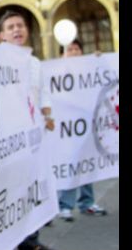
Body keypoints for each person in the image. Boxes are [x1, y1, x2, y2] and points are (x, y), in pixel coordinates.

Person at [0, 10, 55, 250]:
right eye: (10, 27)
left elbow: (43, 93)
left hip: (33, 141)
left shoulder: (34, 63)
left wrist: (48, 115)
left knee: (33, 189)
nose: (17, 30)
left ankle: (32, 239)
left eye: (20, 25)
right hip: (9, 143)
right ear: (2, 34)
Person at [57, 39, 108, 222]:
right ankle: (65, 205)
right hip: (68, 128)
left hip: (86, 125)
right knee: (71, 165)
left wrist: (98, 60)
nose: (74, 52)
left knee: (87, 163)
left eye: (77, 48)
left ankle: (87, 202)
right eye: (70, 49)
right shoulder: (59, 71)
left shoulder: (88, 69)